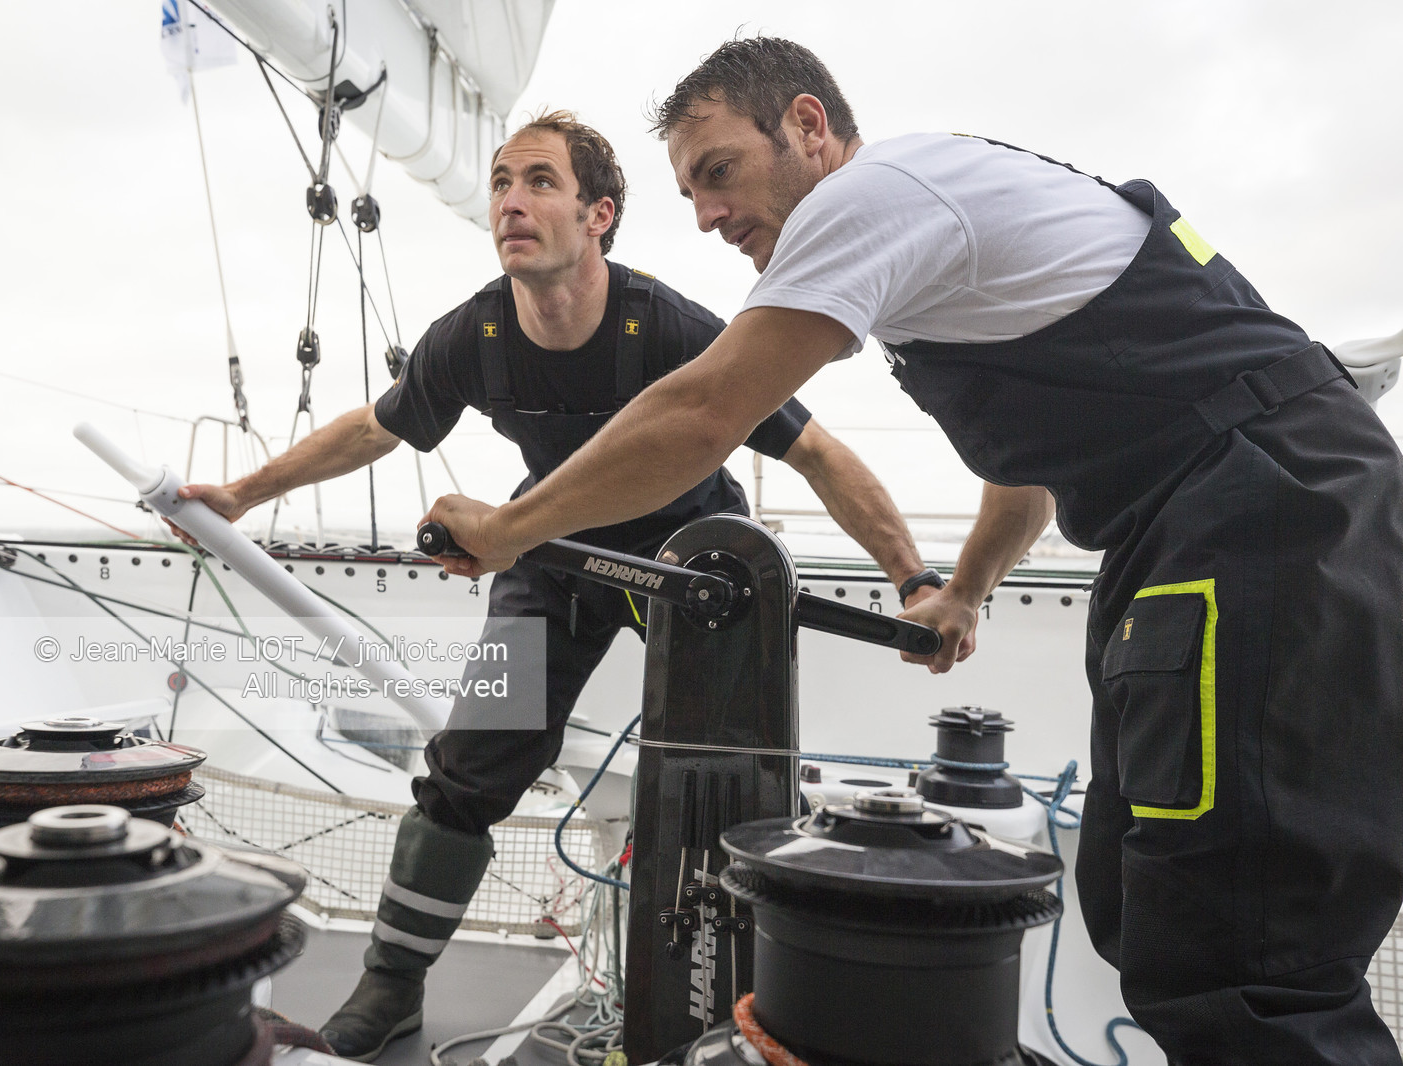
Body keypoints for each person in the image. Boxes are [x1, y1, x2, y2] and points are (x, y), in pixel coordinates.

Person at [423, 40, 1403, 1066]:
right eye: (690, 194)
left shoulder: (872, 196)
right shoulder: (935, 242)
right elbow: (1029, 461)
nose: (707, 215)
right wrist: (961, 590)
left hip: (1255, 513)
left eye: (718, 171)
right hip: (1202, 524)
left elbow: (705, 412)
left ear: (807, 126)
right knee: (1147, 903)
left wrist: (507, 528)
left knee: (1240, 962)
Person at [175, 109, 943, 1061]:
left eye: (540, 181)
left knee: (730, 785)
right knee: (464, 775)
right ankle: (391, 986)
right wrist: (241, 495)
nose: (511, 201)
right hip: (553, 561)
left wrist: (916, 580)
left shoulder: (671, 328)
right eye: (502, 182)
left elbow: (815, 451)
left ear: (598, 215)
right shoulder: (475, 335)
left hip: (691, 569)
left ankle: (736, 1004)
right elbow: (377, 427)